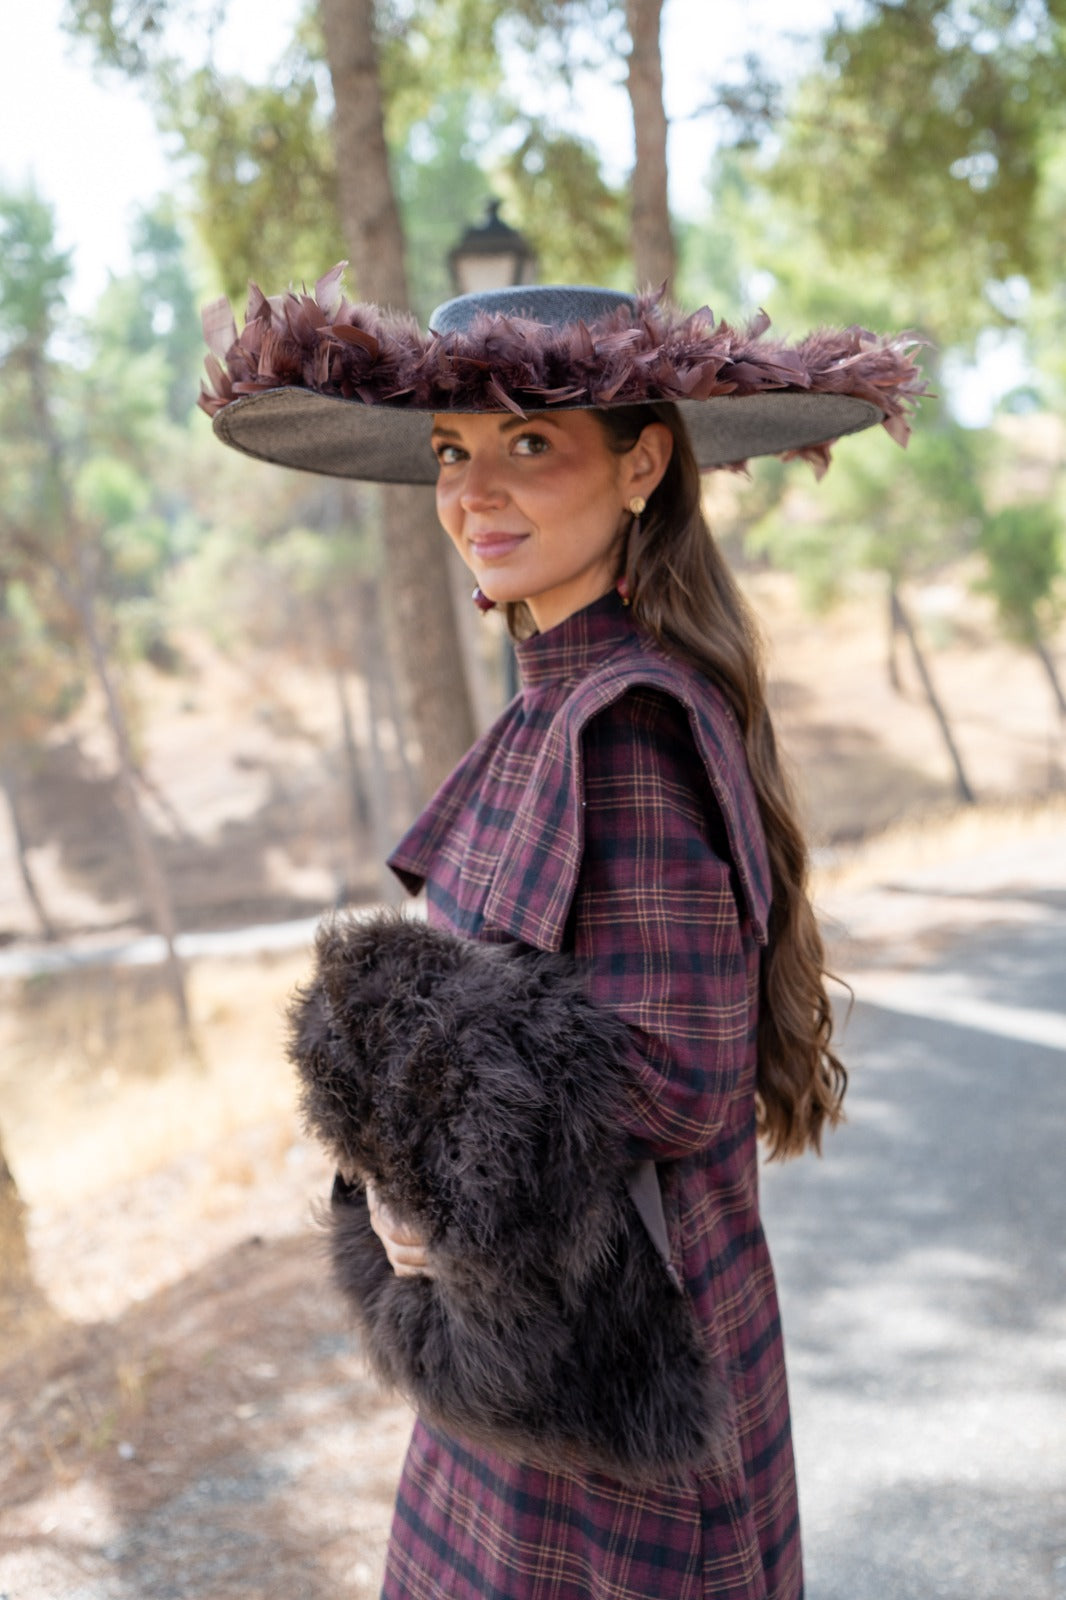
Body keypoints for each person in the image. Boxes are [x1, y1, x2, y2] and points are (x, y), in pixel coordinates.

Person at [201, 276, 924, 1600]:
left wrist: (423, 1164)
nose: (474, 493)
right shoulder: (562, 700)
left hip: (617, 1388)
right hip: (538, 1361)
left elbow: (675, 1074)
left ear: (641, 465)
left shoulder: (624, 725)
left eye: (528, 443)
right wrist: (415, 1165)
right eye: (450, 451)